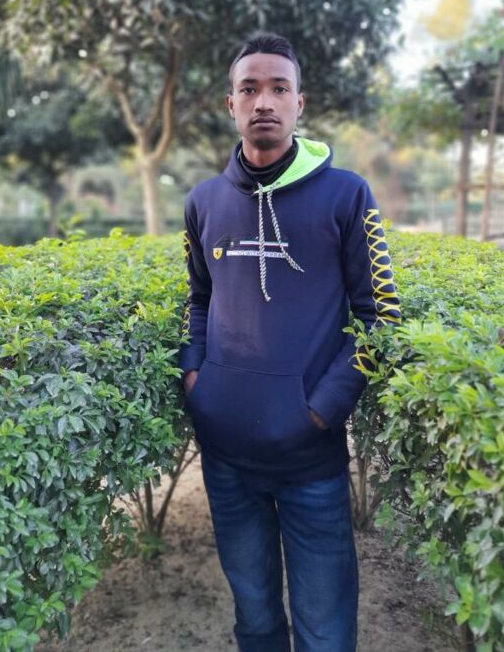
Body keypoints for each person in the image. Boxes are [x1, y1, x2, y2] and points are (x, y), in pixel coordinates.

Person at [179, 32, 400, 652]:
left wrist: (321, 409)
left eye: (279, 88)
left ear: (300, 103)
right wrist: (197, 381)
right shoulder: (203, 202)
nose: (264, 101)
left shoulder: (347, 195)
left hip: (311, 462)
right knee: (255, 622)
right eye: (249, 89)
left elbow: (380, 314)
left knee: (325, 632)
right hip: (225, 460)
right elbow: (198, 299)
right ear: (231, 104)